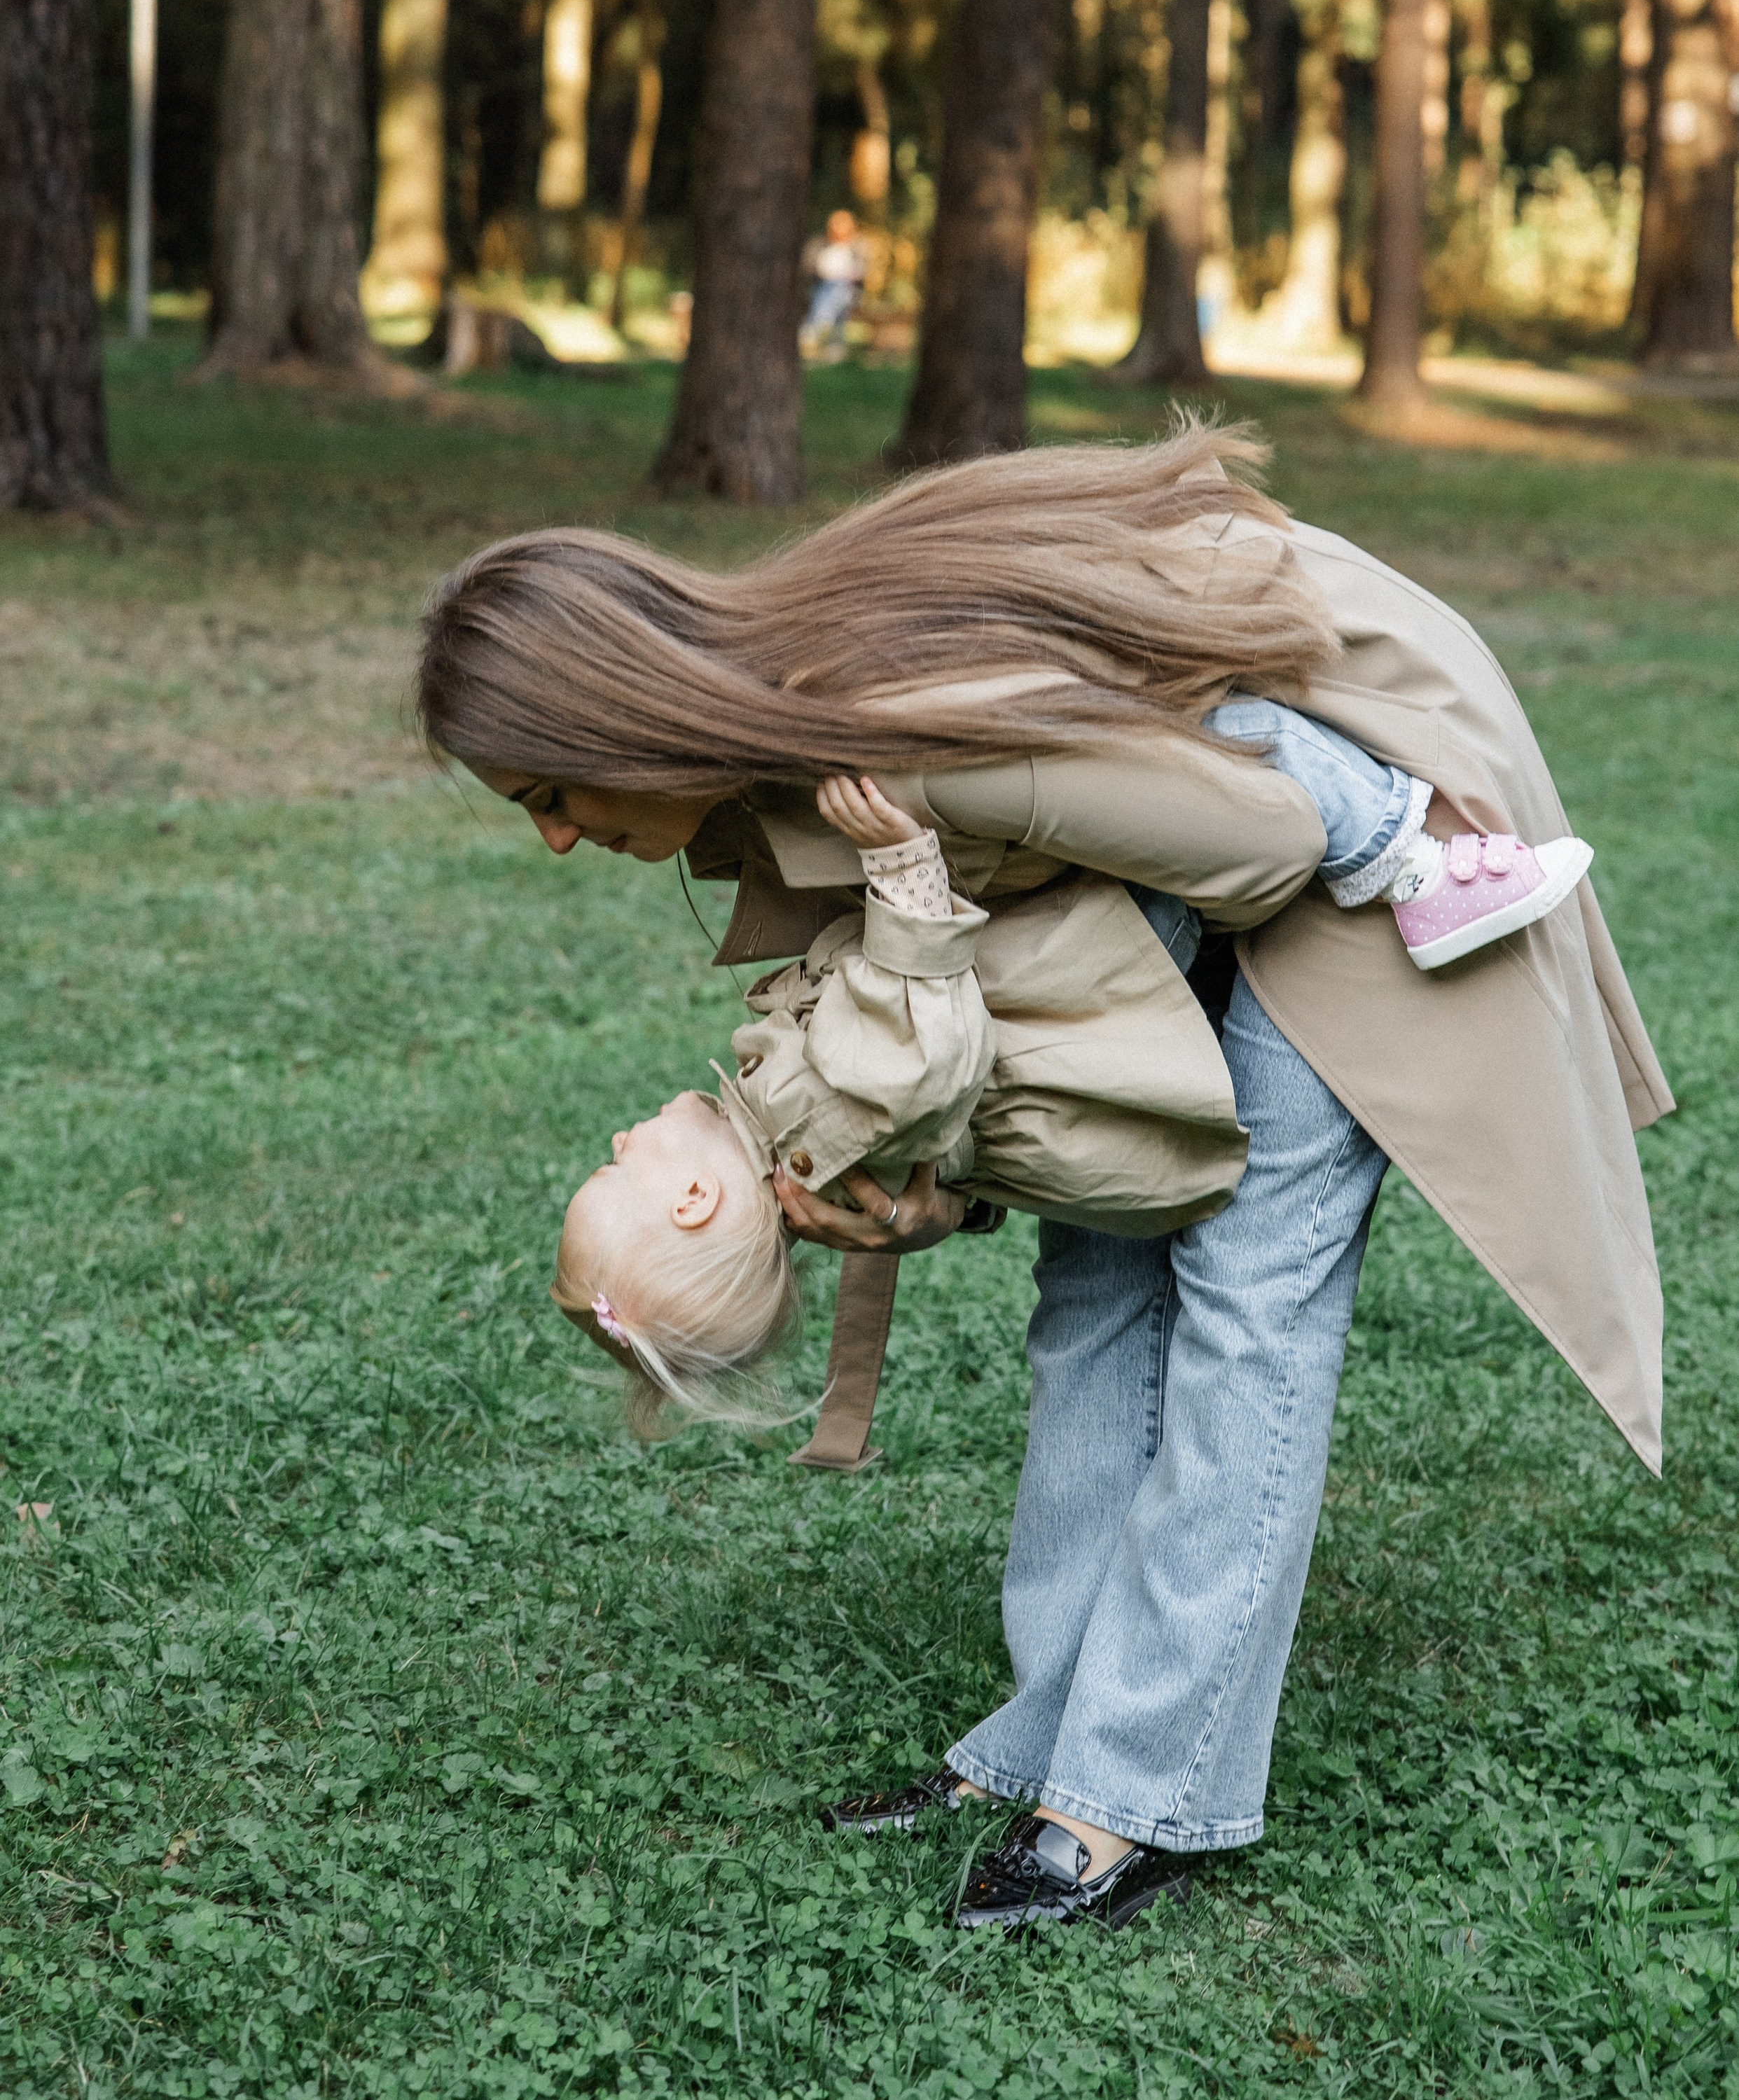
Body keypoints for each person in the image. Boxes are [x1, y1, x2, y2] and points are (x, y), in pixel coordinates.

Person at [415, 429, 1670, 1934]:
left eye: (552, 789)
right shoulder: (772, 762)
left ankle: (1131, 1794)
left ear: (624, 714)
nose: (556, 837)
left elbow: (1264, 841)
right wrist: (946, 1175)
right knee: (1091, 1290)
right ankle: (1045, 1738)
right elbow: (1003, 983)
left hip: (1358, 833)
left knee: (1244, 1298)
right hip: (1174, 906)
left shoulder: (903, 737)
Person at [553, 741, 1595, 1426]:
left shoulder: (788, 1134)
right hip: (1105, 960)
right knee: (1220, 735)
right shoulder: (801, 1124)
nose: (617, 1144)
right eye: (615, 1173)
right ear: (693, 1202)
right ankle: (1401, 853)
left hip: (1083, 974)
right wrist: (904, 871)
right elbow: (924, 1053)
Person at [801, 209, 868, 357]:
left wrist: (848, 275)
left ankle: (814, 327)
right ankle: (835, 347)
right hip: (822, 288)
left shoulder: (857, 246)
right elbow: (809, 267)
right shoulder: (820, 244)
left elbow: (862, 272)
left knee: (839, 287)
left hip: (849, 291)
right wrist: (824, 273)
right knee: (835, 290)